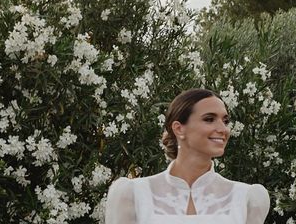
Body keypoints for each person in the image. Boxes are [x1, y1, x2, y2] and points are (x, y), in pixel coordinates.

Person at [104, 88, 270, 223]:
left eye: (225, 121)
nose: (223, 129)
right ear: (179, 129)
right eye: (209, 119)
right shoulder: (133, 194)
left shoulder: (246, 198)